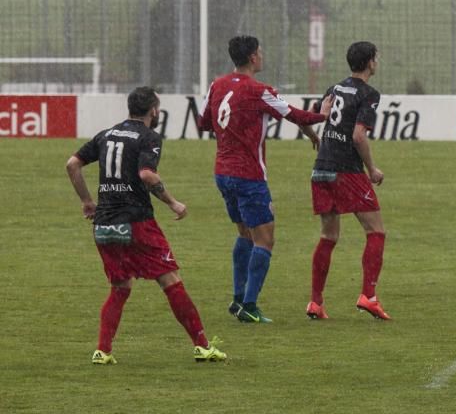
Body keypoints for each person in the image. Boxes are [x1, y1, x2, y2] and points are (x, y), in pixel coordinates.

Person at [66, 87, 227, 365]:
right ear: (154, 110)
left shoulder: (107, 134)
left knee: (120, 287)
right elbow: (147, 174)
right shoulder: (148, 137)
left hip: (104, 223)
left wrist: (87, 202)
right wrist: (173, 203)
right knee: (171, 281)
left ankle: (103, 351)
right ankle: (202, 346)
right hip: (136, 222)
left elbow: (72, 164)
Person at [197, 35, 331, 324]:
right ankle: (249, 304)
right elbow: (295, 114)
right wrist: (322, 115)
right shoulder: (259, 90)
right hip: (249, 176)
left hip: (222, 172)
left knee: (245, 233)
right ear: (253, 57)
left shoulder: (216, 84)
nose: (263, 55)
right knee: (265, 239)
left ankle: (237, 299)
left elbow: (203, 122)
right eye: (261, 51)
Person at [308, 40, 392, 321]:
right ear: (369, 62)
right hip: (347, 170)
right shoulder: (368, 94)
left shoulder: (334, 88)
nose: (377, 62)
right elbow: (358, 135)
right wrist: (372, 169)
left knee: (328, 237)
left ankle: (315, 303)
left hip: (321, 167)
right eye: (376, 58)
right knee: (376, 231)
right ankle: (369, 296)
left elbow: (321, 115)